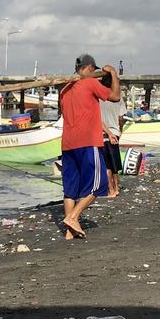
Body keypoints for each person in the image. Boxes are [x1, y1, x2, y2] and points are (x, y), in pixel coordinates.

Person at [59, 54, 120, 239]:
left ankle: (69, 233)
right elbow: (115, 96)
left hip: (68, 144)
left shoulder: (64, 89)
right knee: (99, 184)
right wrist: (114, 74)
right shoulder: (90, 83)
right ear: (89, 68)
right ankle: (73, 217)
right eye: (94, 70)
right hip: (87, 143)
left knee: (70, 190)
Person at [99, 74, 126, 198]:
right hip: (115, 133)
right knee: (115, 164)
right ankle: (116, 188)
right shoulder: (118, 98)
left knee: (106, 165)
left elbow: (97, 119)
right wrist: (120, 130)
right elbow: (121, 118)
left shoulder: (99, 98)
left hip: (102, 133)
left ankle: (110, 190)